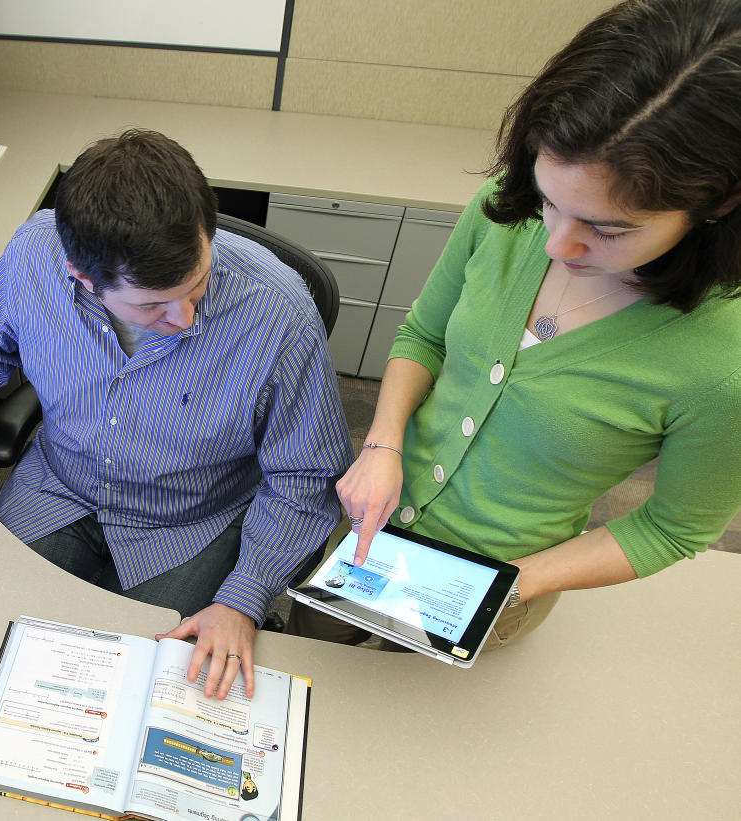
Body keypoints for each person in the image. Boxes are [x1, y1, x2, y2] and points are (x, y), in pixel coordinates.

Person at [0, 129, 352, 696]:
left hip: (189, 517)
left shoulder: (279, 311)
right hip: (61, 486)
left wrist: (244, 598)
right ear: (83, 279)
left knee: (139, 688)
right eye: (153, 304)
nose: (185, 318)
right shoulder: (35, 257)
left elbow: (306, 475)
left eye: (198, 284)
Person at [293, 0, 741, 649]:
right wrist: (383, 443)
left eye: (608, 228)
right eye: (551, 200)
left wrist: (510, 582)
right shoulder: (509, 211)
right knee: (312, 653)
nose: (558, 243)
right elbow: (423, 335)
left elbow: (674, 528)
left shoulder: (721, 361)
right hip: (374, 523)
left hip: (500, 574)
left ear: (719, 202)